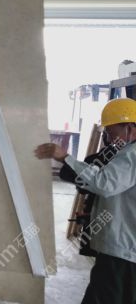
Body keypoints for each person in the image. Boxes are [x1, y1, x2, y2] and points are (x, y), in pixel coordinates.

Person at [35, 97, 136, 304]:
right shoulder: (126, 152)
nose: (109, 138)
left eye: (111, 131)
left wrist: (65, 158)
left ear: (129, 128)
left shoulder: (132, 155)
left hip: (122, 251)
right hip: (124, 249)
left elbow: (104, 183)